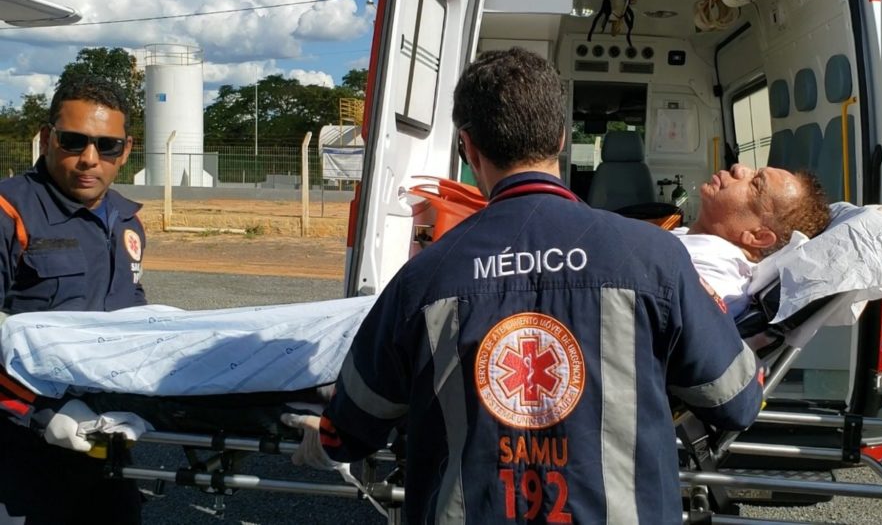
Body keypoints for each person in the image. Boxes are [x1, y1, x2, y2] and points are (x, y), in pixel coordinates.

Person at [284, 47, 764, 524]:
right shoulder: (655, 257)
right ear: (560, 138)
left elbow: (356, 422)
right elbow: (737, 400)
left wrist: (324, 443)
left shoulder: (424, 277)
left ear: (468, 148)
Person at [0, 74, 146, 524]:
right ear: (47, 139)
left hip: (104, 441)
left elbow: (133, 316)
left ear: (125, 150)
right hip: (17, 449)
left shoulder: (126, 220)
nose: (89, 159)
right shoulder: (9, 212)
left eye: (106, 145)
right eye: (73, 141)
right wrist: (42, 413)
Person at [672, 164, 831, 317]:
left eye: (755, 183)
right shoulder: (695, 244)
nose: (738, 168)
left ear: (758, 236)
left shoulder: (716, 274)